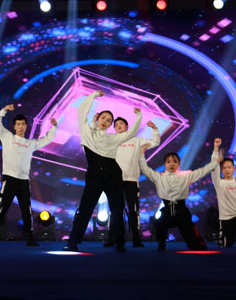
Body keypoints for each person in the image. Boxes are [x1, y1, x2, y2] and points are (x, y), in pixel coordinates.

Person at [63, 90, 142, 253]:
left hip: (113, 174)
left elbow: (131, 133)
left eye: (109, 120)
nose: (106, 121)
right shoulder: (87, 132)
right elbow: (81, 111)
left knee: (117, 209)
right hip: (95, 174)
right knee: (85, 208)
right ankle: (73, 241)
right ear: (97, 118)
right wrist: (92, 96)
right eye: (103, 118)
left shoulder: (113, 138)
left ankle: (120, 243)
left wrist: (139, 116)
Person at [139, 138, 223, 251]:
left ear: (178, 164)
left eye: (174, 161)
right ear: (165, 164)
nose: (171, 164)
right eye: (168, 162)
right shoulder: (159, 176)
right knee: (160, 222)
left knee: (193, 238)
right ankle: (161, 243)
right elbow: (145, 169)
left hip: (181, 210)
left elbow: (203, 170)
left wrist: (216, 160)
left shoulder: (185, 175)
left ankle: (196, 245)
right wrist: (141, 153)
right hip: (166, 210)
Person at [0, 104, 57, 246]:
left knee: (26, 211)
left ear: (26, 126)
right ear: (14, 126)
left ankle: (29, 237)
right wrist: (4, 110)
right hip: (9, 179)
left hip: (23, 181)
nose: (21, 127)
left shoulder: (30, 143)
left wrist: (54, 127)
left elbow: (46, 140)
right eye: (18, 124)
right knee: (1, 209)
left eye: (23, 124)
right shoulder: (7, 137)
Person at [104, 116, 160, 247]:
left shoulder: (137, 140)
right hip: (115, 181)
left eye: (121, 123)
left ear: (127, 126)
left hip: (132, 181)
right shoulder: (112, 140)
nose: (118, 126)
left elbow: (155, 142)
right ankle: (111, 239)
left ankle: (136, 239)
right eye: (116, 124)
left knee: (133, 211)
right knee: (114, 211)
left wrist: (155, 129)